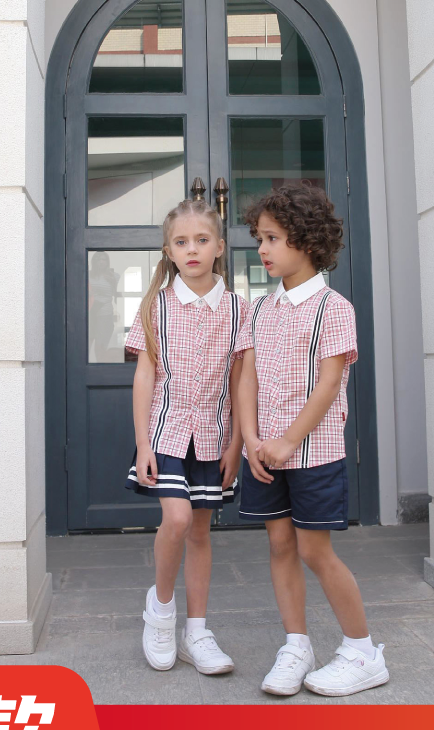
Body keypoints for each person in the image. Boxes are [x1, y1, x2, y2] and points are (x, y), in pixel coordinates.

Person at [235, 183, 388, 697]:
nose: (262, 249)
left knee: (314, 551)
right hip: (264, 452)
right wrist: (252, 439)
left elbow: (328, 384)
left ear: (306, 240)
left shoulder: (332, 308)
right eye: (260, 238)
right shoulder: (260, 310)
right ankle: (296, 645)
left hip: (313, 453)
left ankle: (363, 652)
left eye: (272, 239)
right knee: (279, 544)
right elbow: (248, 378)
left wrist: (287, 441)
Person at [124, 198, 247, 675]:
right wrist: (142, 442)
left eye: (201, 240)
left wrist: (236, 442)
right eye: (181, 242)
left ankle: (197, 632)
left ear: (219, 246)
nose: (191, 249)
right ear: (168, 251)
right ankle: (160, 612)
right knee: (175, 519)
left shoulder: (238, 309)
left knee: (200, 530)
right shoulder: (155, 307)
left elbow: (240, 381)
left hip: (214, 436)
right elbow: (145, 376)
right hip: (166, 432)